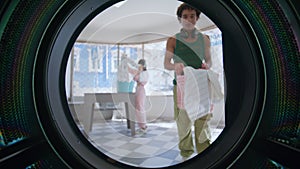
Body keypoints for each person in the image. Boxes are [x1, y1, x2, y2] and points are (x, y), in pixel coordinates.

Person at [164, 3, 213, 159]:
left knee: (203, 120)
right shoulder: (173, 40)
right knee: (183, 122)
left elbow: (209, 61)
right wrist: (175, 66)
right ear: (180, 19)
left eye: (192, 16)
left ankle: (204, 154)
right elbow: (166, 64)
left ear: (197, 18)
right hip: (181, 86)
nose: (189, 19)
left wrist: (207, 65)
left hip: (201, 85)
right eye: (185, 16)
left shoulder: (205, 39)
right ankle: (186, 155)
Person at [128, 59, 149, 135]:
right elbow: (131, 70)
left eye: (140, 66)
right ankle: (142, 126)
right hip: (138, 90)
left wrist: (138, 72)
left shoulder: (144, 73)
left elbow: (139, 78)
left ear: (144, 66)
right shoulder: (140, 72)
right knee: (138, 108)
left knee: (140, 108)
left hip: (141, 90)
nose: (139, 67)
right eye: (138, 66)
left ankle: (143, 127)